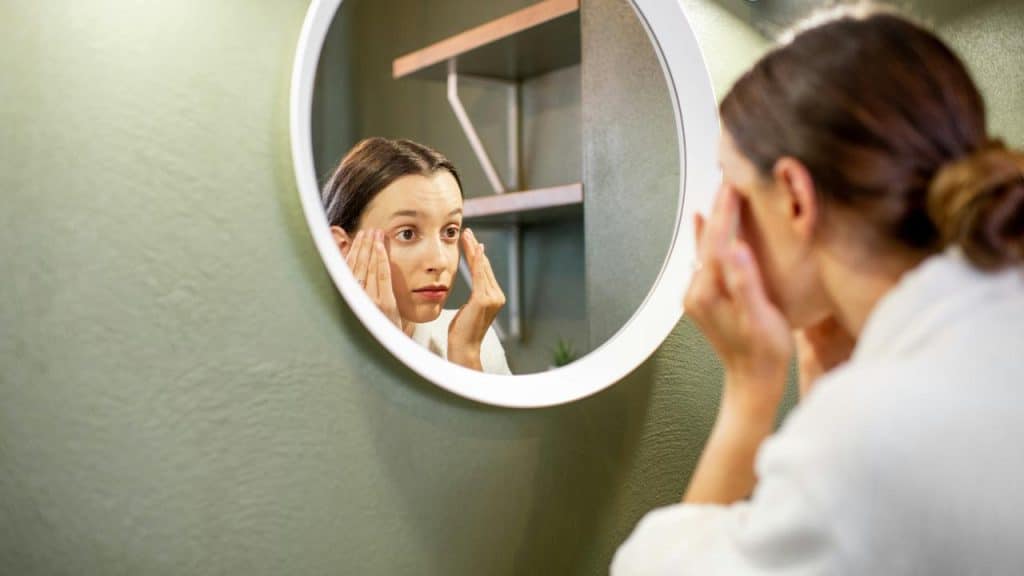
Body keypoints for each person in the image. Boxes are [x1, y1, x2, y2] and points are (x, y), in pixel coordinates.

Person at [613, 6, 1024, 574]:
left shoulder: (873, 435)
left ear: (795, 199)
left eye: (731, 188)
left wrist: (749, 392)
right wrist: (833, 391)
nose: (718, 223)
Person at [321, 137, 511, 374]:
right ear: (342, 247)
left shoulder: (477, 341)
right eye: (408, 233)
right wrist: (384, 348)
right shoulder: (311, 358)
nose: (439, 262)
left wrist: (466, 354)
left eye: (450, 231)